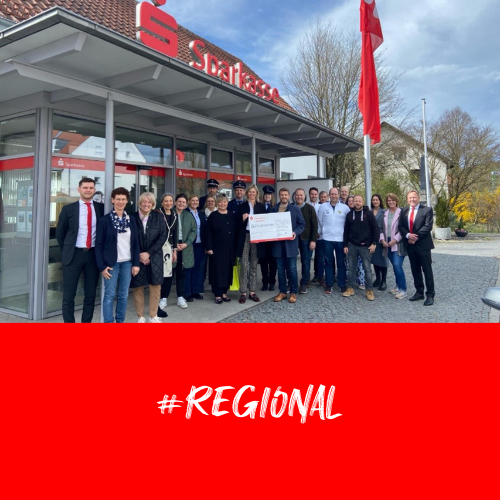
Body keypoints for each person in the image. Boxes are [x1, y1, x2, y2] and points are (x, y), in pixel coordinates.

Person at [56, 177, 104, 323]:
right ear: (79, 189)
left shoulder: (101, 208)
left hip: (93, 256)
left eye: (91, 188)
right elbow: (60, 233)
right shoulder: (68, 209)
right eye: (85, 187)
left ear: (94, 190)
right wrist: (67, 250)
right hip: (73, 255)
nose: (88, 190)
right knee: (68, 295)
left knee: (90, 295)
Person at [95, 187, 140, 323]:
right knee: (109, 295)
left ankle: (120, 321)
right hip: (111, 264)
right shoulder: (104, 221)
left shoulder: (132, 220)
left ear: (127, 201)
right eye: (118, 199)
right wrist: (102, 266)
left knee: (123, 295)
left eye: (123, 199)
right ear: (112, 200)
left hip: (127, 263)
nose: (120, 202)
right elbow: (98, 245)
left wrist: (136, 263)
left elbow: (136, 243)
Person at [130, 192, 167, 323]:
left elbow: (163, 236)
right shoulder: (132, 217)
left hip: (155, 256)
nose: (146, 204)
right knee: (138, 287)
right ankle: (140, 316)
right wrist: (140, 254)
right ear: (140, 203)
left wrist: (149, 253)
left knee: (155, 287)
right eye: (144, 202)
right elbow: (130, 238)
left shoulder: (158, 216)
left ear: (153, 204)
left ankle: (153, 315)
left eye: (149, 202)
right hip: (137, 256)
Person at [398, 190, 435, 306]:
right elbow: (401, 226)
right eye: (410, 198)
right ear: (407, 199)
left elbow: (428, 226)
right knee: (415, 270)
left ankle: (430, 294)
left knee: (427, 270)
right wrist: (408, 236)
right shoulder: (404, 211)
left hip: (423, 245)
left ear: (418, 198)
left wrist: (415, 237)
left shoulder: (427, 210)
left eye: (414, 197)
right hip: (410, 245)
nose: (412, 199)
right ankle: (419, 292)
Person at [342, 195, 380, 301]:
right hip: (352, 245)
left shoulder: (369, 214)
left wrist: (374, 243)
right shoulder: (350, 215)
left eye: (359, 201)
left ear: (362, 202)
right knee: (351, 268)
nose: (357, 203)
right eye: (356, 201)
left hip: (366, 246)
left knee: (367, 269)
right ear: (353, 202)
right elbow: (346, 231)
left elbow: (376, 229)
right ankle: (350, 288)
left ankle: (369, 290)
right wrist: (345, 245)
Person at [271, 188, 305, 303]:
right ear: (279, 196)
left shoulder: (295, 209)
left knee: (292, 269)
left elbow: (302, 224)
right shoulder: (274, 209)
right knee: (280, 270)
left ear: (289, 196)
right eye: (282, 195)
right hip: (277, 244)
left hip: (291, 244)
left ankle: (293, 292)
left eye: (286, 195)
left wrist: (295, 232)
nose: (284, 197)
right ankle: (282, 292)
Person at [317, 188, 351, 294]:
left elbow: (348, 223)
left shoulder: (345, 208)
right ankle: (329, 284)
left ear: (338, 195)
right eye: (332, 194)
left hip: (340, 239)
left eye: (336, 194)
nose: (334, 196)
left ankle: (342, 284)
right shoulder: (323, 207)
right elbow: (320, 220)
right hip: (327, 238)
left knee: (341, 262)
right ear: (329, 195)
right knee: (328, 262)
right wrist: (324, 229)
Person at [205, 194, 238, 303]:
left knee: (227, 270)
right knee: (217, 271)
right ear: (217, 204)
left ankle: (224, 292)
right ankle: (217, 294)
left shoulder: (232, 215)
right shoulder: (213, 216)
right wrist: (209, 247)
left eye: (224, 202)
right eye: (220, 202)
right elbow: (208, 233)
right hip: (217, 248)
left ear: (227, 203)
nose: (222, 204)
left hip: (230, 248)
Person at [236, 184, 265, 303]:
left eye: (254, 192)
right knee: (244, 264)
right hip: (245, 236)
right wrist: (243, 219)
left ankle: (252, 291)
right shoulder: (241, 206)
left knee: (254, 264)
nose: (252, 194)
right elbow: (236, 224)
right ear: (247, 193)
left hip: (257, 236)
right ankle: (243, 292)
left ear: (257, 193)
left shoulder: (261, 206)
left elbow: (265, 222)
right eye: (250, 192)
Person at [380, 193, 407, 299]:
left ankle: (403, 289)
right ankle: (397, 286)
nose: (391, 202)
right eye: (389, 200)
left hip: (398, 243)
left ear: (396, 201)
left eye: (393, 200)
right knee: (394, 265)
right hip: (387, 242)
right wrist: (382, 239)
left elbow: (404, 228)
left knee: (397, 265)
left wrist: (395, 240)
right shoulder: (385, 213)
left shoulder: (402, 213)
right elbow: (380, 228)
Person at [173, 193, 197, 309]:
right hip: (172, 247)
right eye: (179, 201)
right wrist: (174, 245)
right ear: (175, 202)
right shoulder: (170, 213)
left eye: (183, 202)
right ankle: (163, 297)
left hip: (185, 247)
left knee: (182, 273)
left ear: (186, 203)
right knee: (168, 274)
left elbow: (194, 230)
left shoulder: (188, 215)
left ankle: (180, 297)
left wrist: (186, 243)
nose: (181, 204)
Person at [294, 188, 318, 294]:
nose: (299, 197)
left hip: (306, 239)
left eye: (301, 195)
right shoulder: (291, 207)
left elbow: (314, 225)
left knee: (305, 262)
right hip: (293, 239)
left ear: (304, 196)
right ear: (294, 196)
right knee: (291, 262)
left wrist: (313, 240)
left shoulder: (310, 208)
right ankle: (292, 282)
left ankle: (304, 283)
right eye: (297, 195)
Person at [157, 193, 178, 313]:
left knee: (168, 273)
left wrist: (175, 250)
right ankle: (157, 296)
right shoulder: (157, 214)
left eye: (170, 201)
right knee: (158, 272)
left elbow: (175, 234)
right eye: (166, 201)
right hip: (158, 246)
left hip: (169, 247)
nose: (168, 203)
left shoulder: (175, 215)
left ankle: (164, 297)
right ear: (162, 202)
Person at [185, 194, 208, 302]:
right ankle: (187, 292)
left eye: (196, 200)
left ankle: (196, 291)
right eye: (193, 200)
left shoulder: (201, 214)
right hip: (189, 245)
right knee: (188, 268)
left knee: (198, 268)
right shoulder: (185, 213)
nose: (195, 202)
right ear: (189, 202)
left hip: (200, 244)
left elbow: (205, 229)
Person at [259, 185, 277, 291]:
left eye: (269, 194)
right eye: (266, 194)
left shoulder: (276, 207)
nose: (267, 196)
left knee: (273, 262)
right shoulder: (259, 206)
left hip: (273, 240)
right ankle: (265, 282)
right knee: (263, 262)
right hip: (262, 240)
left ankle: (272, 282)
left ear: (272, 196)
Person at [370, 194, 389, 291]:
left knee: (383, 260)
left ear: (380, 201)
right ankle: (378, 279)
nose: (375, 201)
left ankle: (384, 281)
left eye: (377, 200)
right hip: (372, 239)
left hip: (382, 238)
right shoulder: (369, 212)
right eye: (373, 200)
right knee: (375, 260)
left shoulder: (384, 212)